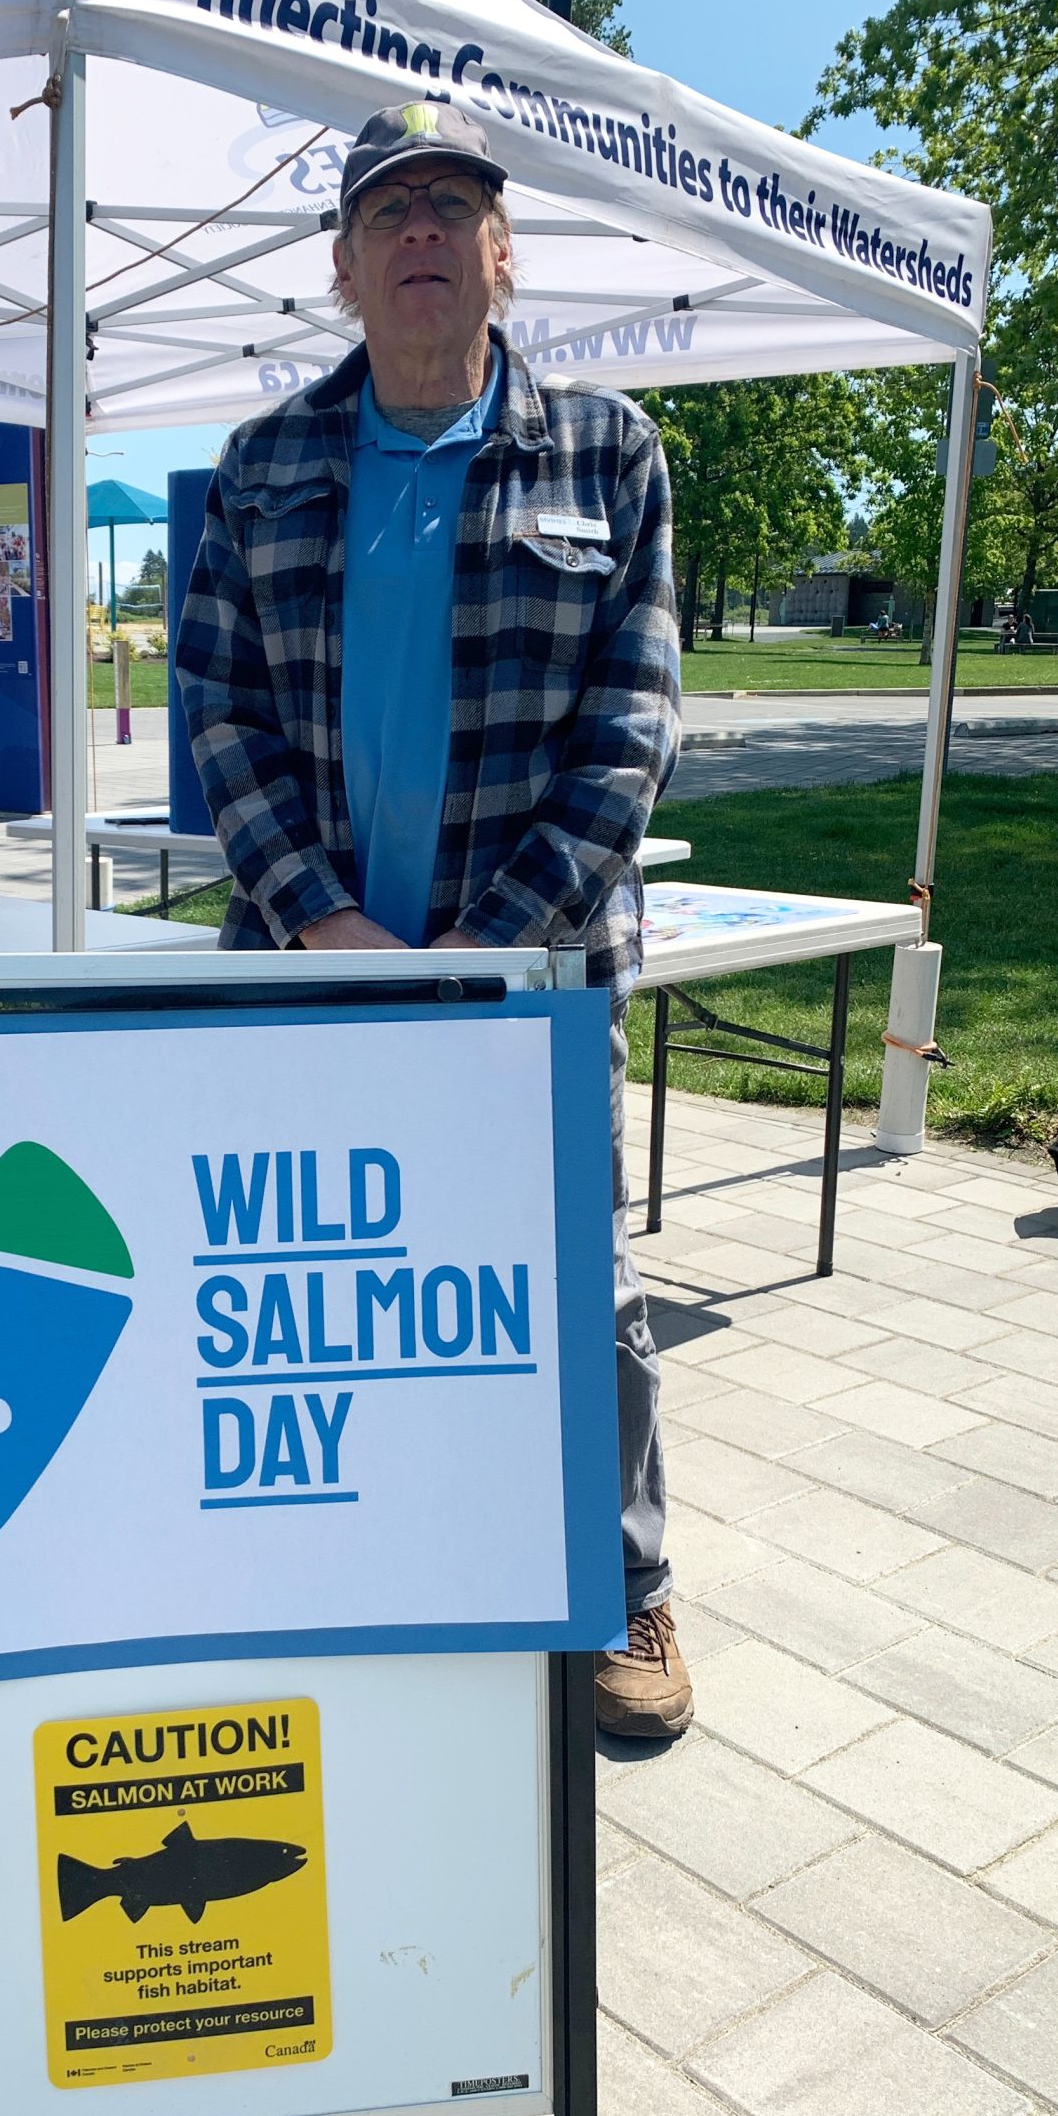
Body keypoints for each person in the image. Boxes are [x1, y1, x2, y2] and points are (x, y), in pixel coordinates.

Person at [178, 104, 688, 1738]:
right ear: (341, 264)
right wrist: (320, 919)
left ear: (501, 252)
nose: (420, 232)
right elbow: (218, 711)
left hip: (532, 984)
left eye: (453, 206)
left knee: (577, 1286)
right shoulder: (264, 467)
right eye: (388, 210)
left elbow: (632, 732)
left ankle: (625, 1587)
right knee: (314, 1286)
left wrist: (491, 950)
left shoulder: (607, 453)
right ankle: (355, 1560)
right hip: (306, 982)